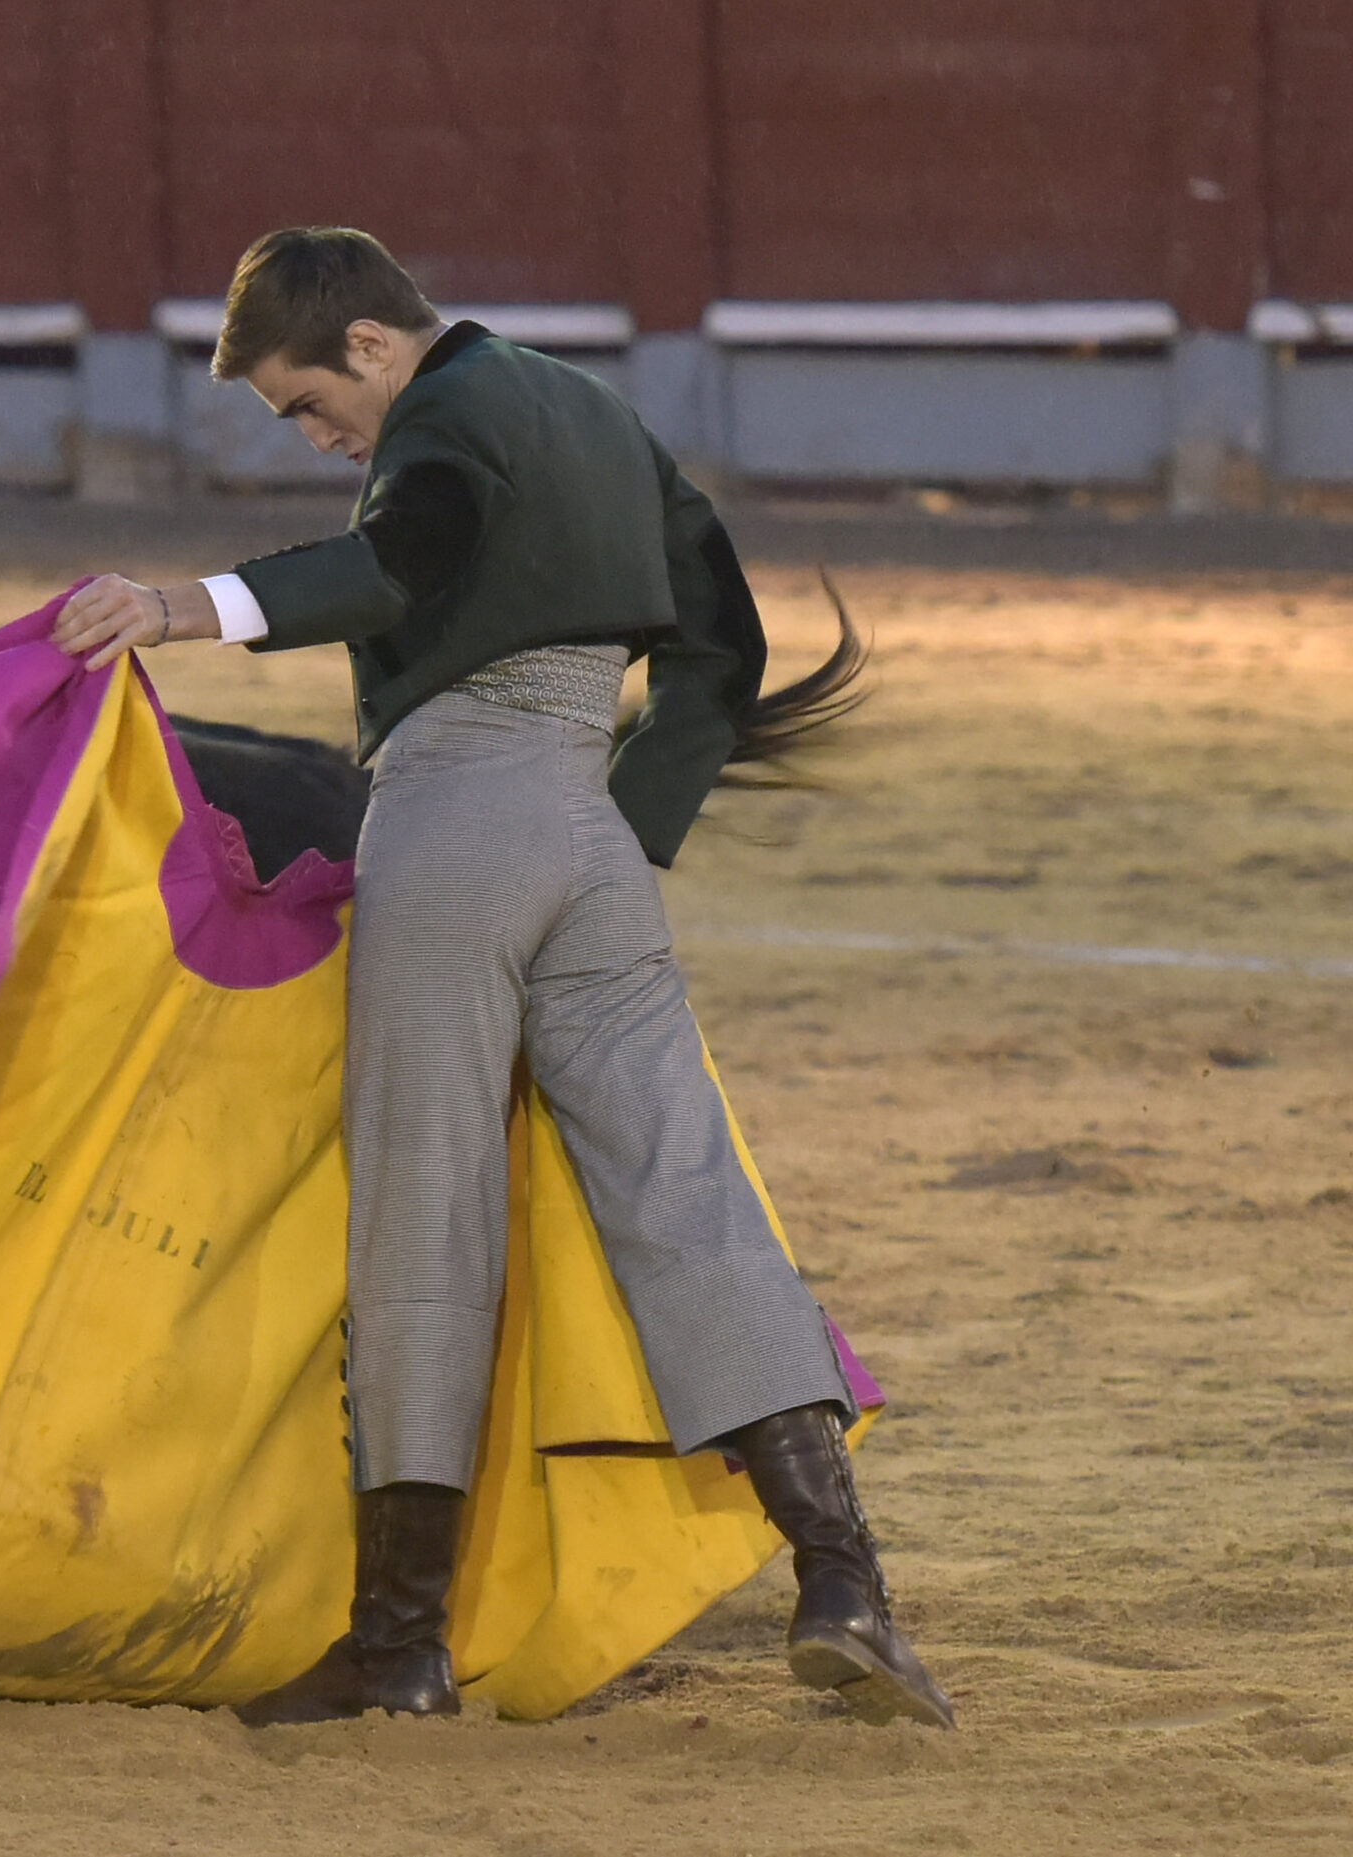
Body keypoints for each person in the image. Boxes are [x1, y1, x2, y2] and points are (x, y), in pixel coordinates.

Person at [51, 227, 953, 1730]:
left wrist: (183, 605)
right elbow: (722, 643)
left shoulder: (445, 419)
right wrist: (625, 826)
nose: (315, 438)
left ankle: (401, 1647)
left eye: (306, 404)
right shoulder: (596, 411)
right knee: (688, 1194)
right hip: (591, 836)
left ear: (370, 344)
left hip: (456, 820)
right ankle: (844, 1582)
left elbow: (396, 563)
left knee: (426, 1210)